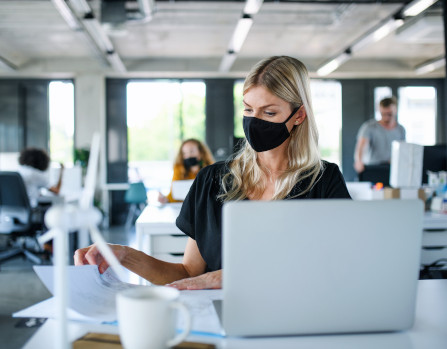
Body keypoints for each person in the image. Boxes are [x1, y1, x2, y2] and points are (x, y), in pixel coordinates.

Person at [74, 56, 351, 290]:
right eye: (248, 109)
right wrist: (124, 255)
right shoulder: (211, 181)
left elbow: (337, 272)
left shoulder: (324, 182)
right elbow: (189, 274)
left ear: (298, 116)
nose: (254, 122)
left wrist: (234, 278)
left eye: (268, 113)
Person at [354, 97, 406, 174]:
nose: (386, 117)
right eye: (383, 114)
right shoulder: (369, 127)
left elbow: (403, 149)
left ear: (396, 110)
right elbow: (362, 145)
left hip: (392, 169)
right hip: (373, 168)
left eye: (389, 114)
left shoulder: (401, 129)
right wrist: (359, 161)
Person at [158, 138, 214, 203]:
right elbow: (174, 194)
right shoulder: (178, 169)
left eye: (191, 151)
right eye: (184, 153)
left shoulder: (211, 169)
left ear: (201, 152)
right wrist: (165, 199)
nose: (188, 156)